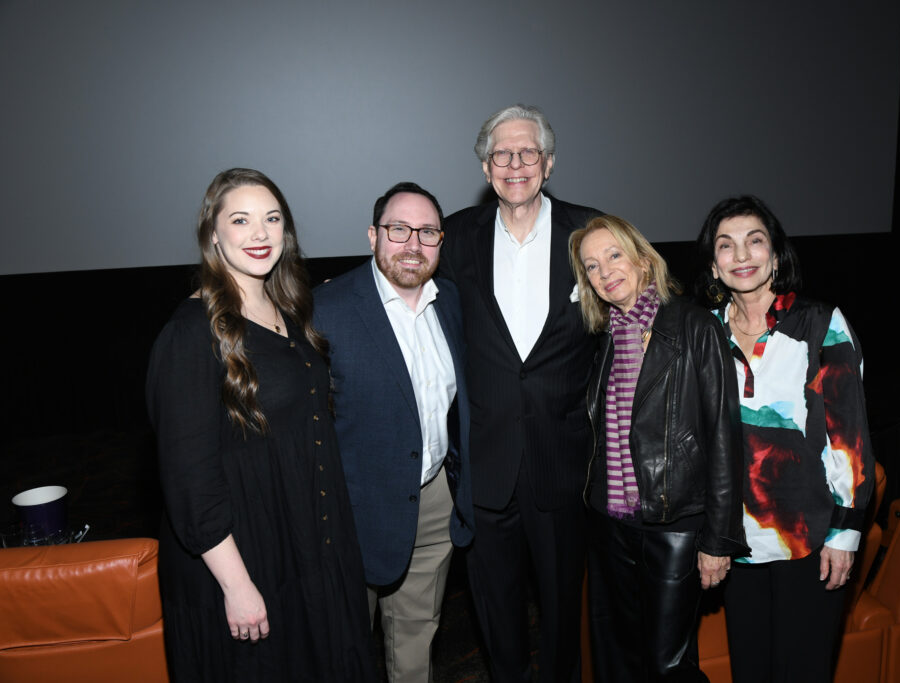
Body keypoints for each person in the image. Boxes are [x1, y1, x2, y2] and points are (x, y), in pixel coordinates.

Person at [146, 168, 375, 682]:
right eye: (241, 220)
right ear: (213, 235)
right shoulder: (189, 336)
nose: (260, 233)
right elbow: (190, 484)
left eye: (272, 219)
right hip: (246, 560)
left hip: (301, 544)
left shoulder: (287, 311)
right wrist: (237, 586)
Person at [438, 104, 601, 683]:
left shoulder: (592, 233)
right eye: (501, 154)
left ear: (548, 163)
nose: (514, 164)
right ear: (486, 168)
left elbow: (639, 316)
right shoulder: (454, 236)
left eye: (527, 152)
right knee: (494, 610)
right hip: (486, 465)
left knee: (563, 612)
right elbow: (399, 282)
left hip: (563, 463)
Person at [694, 195, 875, 683]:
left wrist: (845, 532)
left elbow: (850, 438)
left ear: (775, 255)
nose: (742, 256)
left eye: (755, 242)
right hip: (736, 543)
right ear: (714, 264)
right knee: (751, 671)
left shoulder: (819, 323)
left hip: (810, 540)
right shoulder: (703, 333)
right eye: (726, 246)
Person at [569, 215, 747, 682]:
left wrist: (718, 540)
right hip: (612, 524)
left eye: (613, 255)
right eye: (590, 266)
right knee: (617, 659)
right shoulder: (606, 336)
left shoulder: (694, 326)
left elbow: (725, 439)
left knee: (668, 664)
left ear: (643, 260)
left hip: (675, 527)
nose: (604, 271)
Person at [313, 182, 474, 683]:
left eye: (427, 232)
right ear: (373, 236)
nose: (413, 244)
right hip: (347, 514)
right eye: (398, 229)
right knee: (340, 652)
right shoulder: (324, 310)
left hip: (433, 506)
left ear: (441, 242)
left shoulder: (452, 303)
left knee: (414, 646)